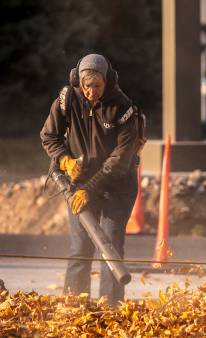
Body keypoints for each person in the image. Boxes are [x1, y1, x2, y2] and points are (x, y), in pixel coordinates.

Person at [40, 54, 140, 306]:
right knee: (80, 248)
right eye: (86, 85)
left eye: (97, 86)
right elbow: (49, 135)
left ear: (107, 82)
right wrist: (65, 161)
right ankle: (74, 306)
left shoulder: (123, 107)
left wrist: (90, 188)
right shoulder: (67, 99)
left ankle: (111, 308)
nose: (91, 91)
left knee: (111, 247)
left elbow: (120, 160)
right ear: (78, 81)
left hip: (117, 187)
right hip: (78, 185)